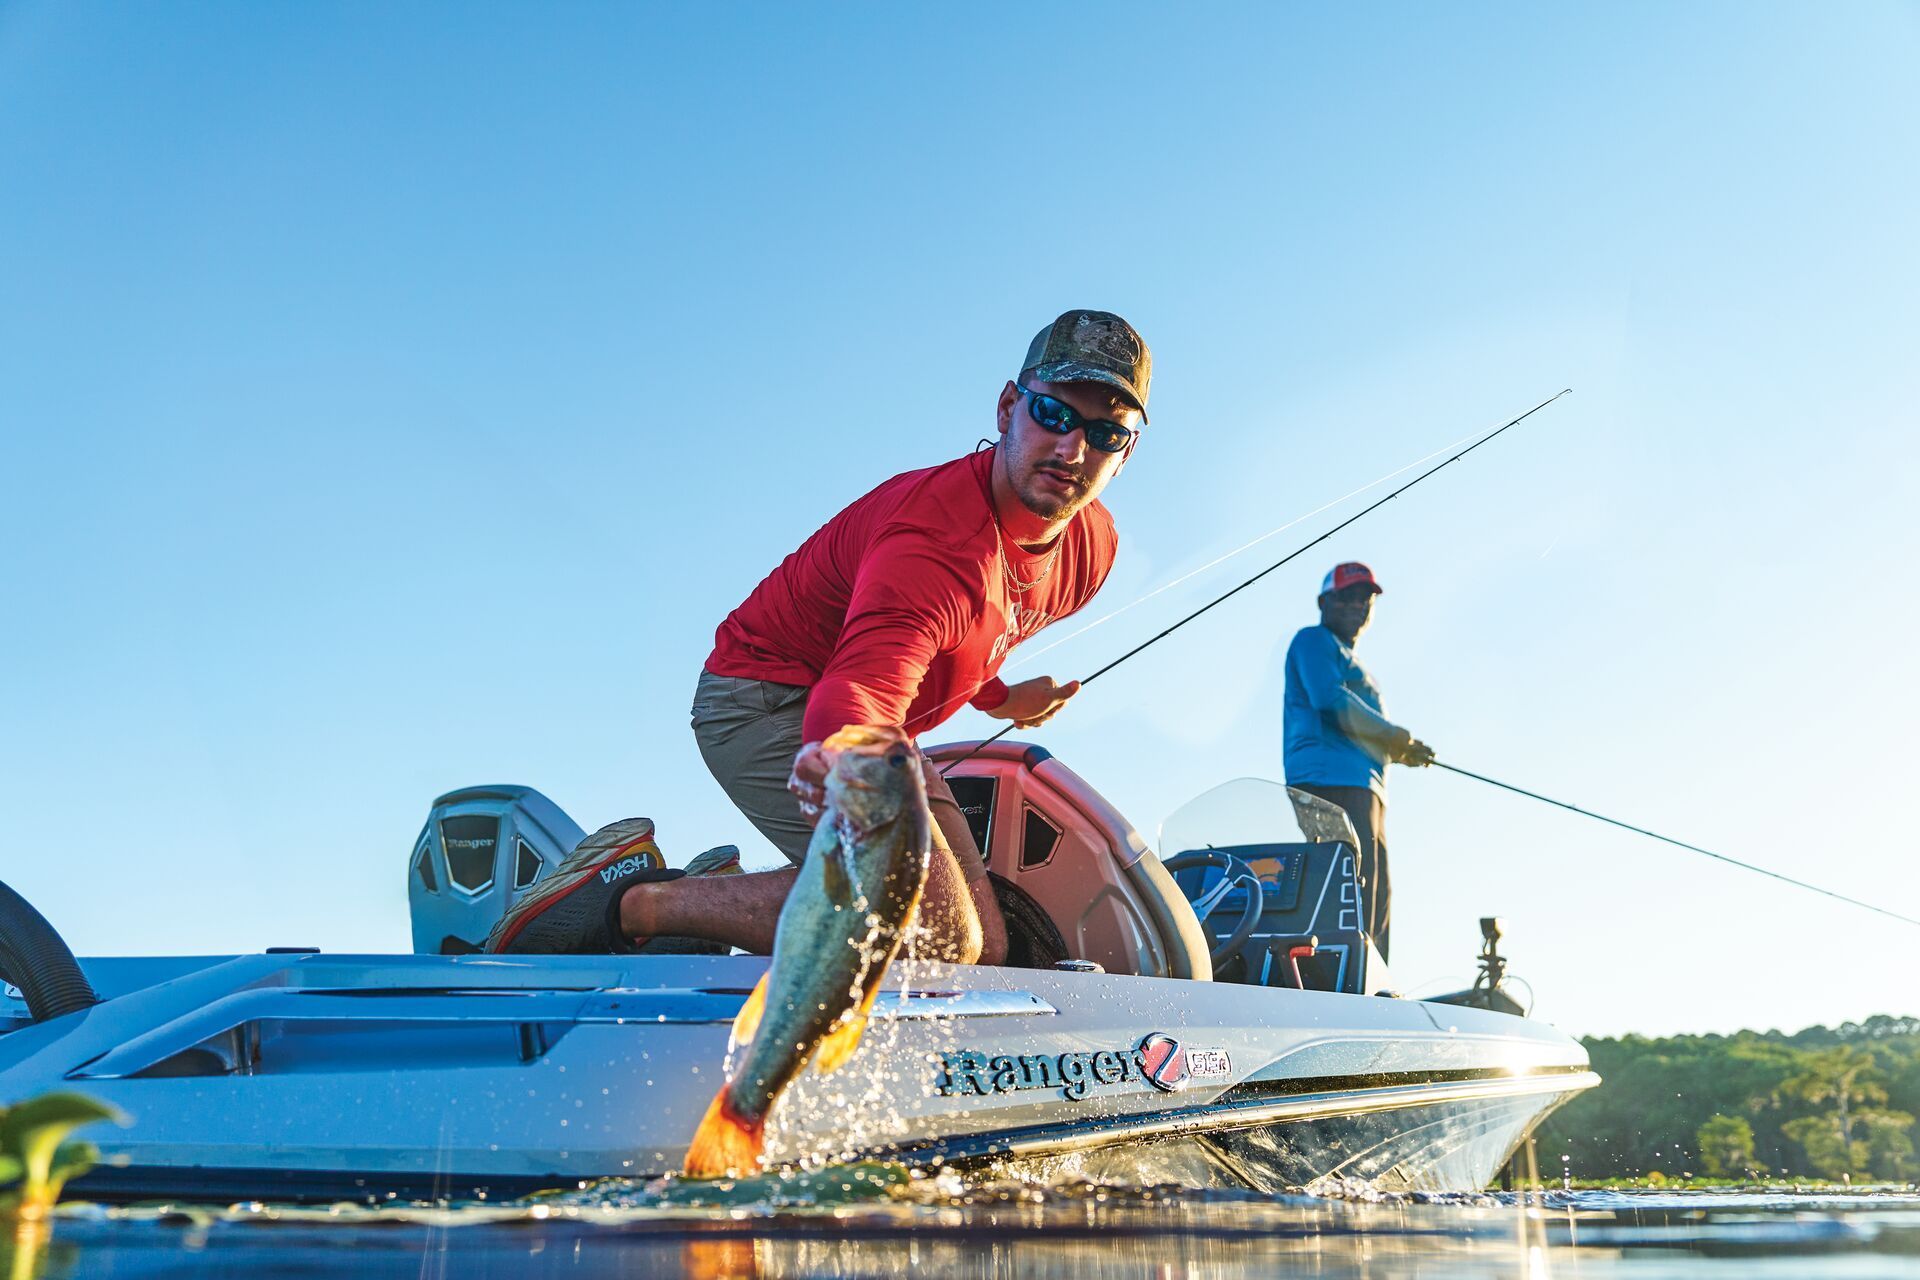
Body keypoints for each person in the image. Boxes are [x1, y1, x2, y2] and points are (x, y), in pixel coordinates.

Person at [490, 309, 1151, 965]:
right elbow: (864, 680)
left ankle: (715, 899)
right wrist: (840, 753)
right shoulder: (935, 547)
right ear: (1009, 407)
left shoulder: (1089, 553)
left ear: (1126, 455)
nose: (1072, 451)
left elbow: (965, 632)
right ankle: (631, 903)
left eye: (1104, 434)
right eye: (1054, 416)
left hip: (880, 729)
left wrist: (1002, 698)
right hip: (763, 695)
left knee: (979, 944)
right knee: (934, 931)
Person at [1282, 562, 1434, 960]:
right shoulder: (1313, 640)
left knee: (1375, 889)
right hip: (1329, 781)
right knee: (1351, 887)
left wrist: (1399, 752)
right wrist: (1396, 736)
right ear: (1324, 602)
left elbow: (1359, 728)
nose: (1357, 605)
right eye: (1346, 596)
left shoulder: (1349, 657)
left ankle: (1371, 976)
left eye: (1365, 598)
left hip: (1365, 785)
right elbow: (1329, 701)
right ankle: (1343, 978)